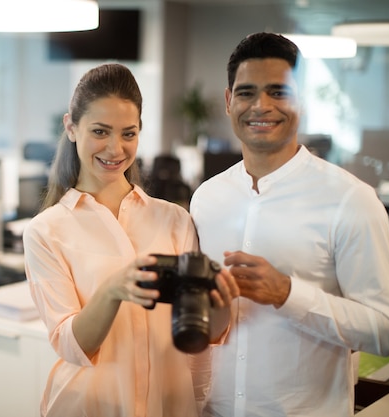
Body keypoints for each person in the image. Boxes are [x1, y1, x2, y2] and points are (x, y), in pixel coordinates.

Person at [189, 32, 389, 417]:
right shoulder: (206, 199)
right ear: (228, 101)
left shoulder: (350, 200)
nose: (261, 106)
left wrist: (287, 294)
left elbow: (387, 331)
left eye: (279, 92)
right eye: (246, 92)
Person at [23, 63, 239, 417]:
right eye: (100, 131)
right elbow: (70, 345)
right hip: (90, 406)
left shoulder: (174, 219)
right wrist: (112, 290)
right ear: (71, 127)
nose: (115, 148)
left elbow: (202, 340)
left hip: (169, 404)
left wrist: (221, 303)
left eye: (128, 133)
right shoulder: (46, 231)